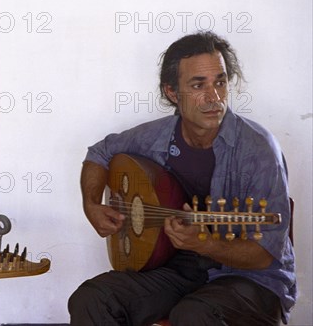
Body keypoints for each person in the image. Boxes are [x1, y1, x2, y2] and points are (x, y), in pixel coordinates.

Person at [68, 32, 296, 326]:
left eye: (220, 82)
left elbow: (266, 254)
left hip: (253, 280)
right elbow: (100, 153)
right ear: (172, 92)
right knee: (92, 298)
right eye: (198, 85)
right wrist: (91, 204)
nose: (214, 97)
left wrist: (206, 244)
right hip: (181, 268)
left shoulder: (259, 150)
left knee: (192, 315)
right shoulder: (157, 136)